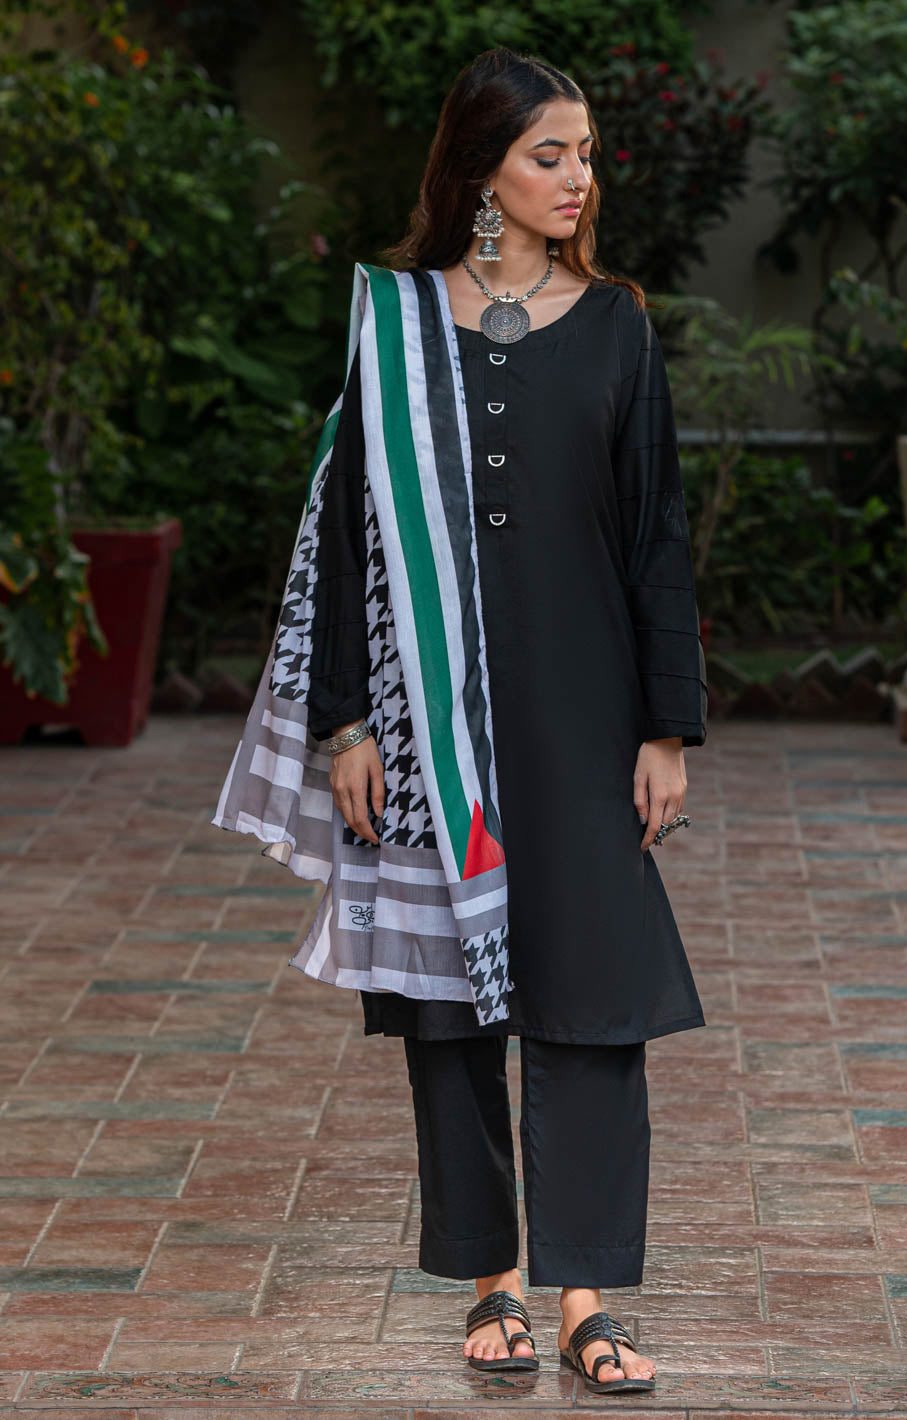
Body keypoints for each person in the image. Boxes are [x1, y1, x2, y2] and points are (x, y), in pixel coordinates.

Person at [220, 45, 708, 1396]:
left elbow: (656, 536)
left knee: (592, 997)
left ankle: (587, 1298)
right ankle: (491, 1282)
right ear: (482, 172)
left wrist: (666, 728)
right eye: (550, 155)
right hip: (427, 715)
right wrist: (345, 726)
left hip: (585, 711)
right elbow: (346, 539)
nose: (578, 177)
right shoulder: (395, 326)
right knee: (449, 1005)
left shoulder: (616, 325)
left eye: (586, 154)